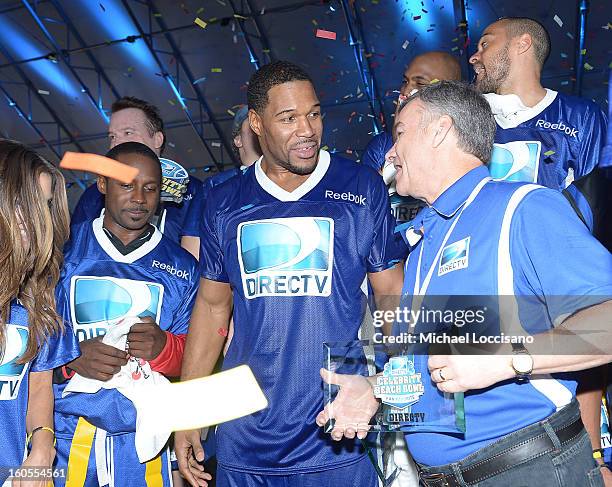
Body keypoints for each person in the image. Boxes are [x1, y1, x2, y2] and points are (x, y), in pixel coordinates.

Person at [318, 80, 612, 486]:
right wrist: (374, 389)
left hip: (528, 470)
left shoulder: (521, 207)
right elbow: (434, 369)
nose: (389, 152)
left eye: (400, 133)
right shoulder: (423, 247)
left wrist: (507, 359)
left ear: (439, 130)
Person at [174, 60, 405, 487]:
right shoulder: (224, 200)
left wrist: (397, 390)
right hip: (245, 437)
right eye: (289, 118)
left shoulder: (361, 188)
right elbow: (210, 309)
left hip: (338, 431)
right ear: (256, 124)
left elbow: (392, 298)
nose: (307, 130)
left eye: (314, 114)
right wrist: (187, 414)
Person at [52, 142, 199, 487]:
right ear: (103, 184)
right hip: (64, 435)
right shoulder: (60, 253)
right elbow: (30, 335)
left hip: (144, 443)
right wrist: (70, 357)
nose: (139, 198)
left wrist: (164, 348)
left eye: (150, 189)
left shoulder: (182, 269)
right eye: (126, 185)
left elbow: (196, 359)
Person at [0, 140, 80, 486]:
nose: (39, 220)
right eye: (28, 205)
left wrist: (43, 451)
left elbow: (40, 385)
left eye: (46, 206)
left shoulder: (39, 295)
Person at [470, 17, 607, 190]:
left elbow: (594, 202)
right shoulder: (467, 118)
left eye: (484, 44)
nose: (473, 58)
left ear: (523, 44)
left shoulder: (581, 116)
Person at [71, 96, 203, 244]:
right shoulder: (94, 195)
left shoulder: (192, 191)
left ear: (157, 139)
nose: (116, 144)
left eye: (128, 133)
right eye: (112, 136)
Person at [362, 51, 462, 226]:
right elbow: (365, 206)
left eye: (420, 83)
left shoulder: (466, 147)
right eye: (405, 82)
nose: (406, 91)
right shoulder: (381, 147)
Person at [181, 105, 262, 260]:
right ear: (238, 139)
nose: (257, 124)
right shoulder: (215, 186)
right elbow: (191, 251)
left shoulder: (291, 180)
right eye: (251, 120)